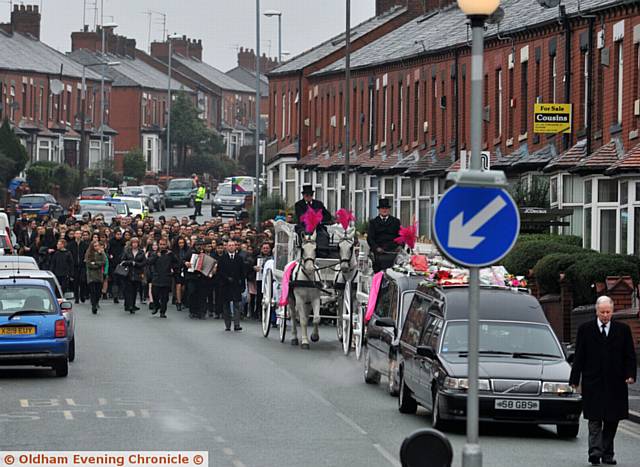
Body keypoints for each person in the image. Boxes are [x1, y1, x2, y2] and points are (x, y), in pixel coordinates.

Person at [570, 296, 637, 466]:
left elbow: (629, 355)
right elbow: (579, 356)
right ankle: (595, 452)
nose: (606, 315)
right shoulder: (586, 329)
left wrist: (630, 374)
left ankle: (607, 453)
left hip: (616, 383)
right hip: (593, 382)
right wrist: (575, 379)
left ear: (612, 311)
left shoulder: (623, 330)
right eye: (602, 312)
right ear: (596, 311)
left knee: (611, 420)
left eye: (608, 312)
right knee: (594, 419)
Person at [217, 239, 246, 331]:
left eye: (233, 245)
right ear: (226, 247)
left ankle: (237, 324)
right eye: (229, 245)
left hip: (236, 285)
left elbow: (242, 273)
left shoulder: (239, 258)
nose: (231, 247)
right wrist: (226, 278)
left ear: (235, 247)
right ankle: (228, 325)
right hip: (225, 285)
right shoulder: (222, 259)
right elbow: (220, 272)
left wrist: (243, 285)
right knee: (226, 306)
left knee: (236, 305)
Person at [294, 185, 332, 254]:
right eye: (307, 195)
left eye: (310, 195)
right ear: (303, 195)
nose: (309, 197)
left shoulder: (318, 204)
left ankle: (321, 253)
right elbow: (301, 216)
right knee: (304, 235)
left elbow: (327, 216)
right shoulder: (299, 204)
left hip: (317, 228)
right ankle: (304, 252)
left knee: (323, 235)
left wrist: (320, 220)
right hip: (304, 227)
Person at [367, 198, 401, 273]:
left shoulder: (396, 221)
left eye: (386, 208)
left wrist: (399, 246)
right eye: (382, 208)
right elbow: (370, 238)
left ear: (389, 210)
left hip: (393, 251)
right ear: (379, 210)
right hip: (379, 252)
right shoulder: (373, 222)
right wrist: (376, 248)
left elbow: (401, 236)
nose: (384, 210)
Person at [147, 238, 178, 318]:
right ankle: (156, 306)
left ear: (167, 245)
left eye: (164, 244)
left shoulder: (170, 254)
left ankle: (163, 312)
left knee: (165, 297)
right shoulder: (155, 254)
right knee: (155, 294)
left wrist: (173, 270)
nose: (162, 246)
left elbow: (177, 263)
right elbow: (149, 262)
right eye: (161, 244)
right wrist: (156, 256)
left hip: (166, 277)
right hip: (156, 277)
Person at [121, 237, 146, 314]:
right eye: (133, 243)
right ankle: (129, 305)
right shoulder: (127, 251)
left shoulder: (141, 252)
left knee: (135, 290)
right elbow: (123, 261)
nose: (135, 244)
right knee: (129, 290)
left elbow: (144, 263)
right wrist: (131, 263)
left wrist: (136, 264)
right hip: (128, 273)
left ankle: (133, 304)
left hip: (137, 273)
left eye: (136, 242)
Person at [84, 240, 107, 314]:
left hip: (99, 275)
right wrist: (96, 265)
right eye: (95, 246)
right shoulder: (89, 254)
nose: (96, 247)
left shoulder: (101, 253)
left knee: (98, 291)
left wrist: (96, 263)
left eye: (97, 245)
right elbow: (89, 264)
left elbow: (104, 261)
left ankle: (96, 302)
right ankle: (93, 306)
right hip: (91, 275)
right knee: (93, 291)